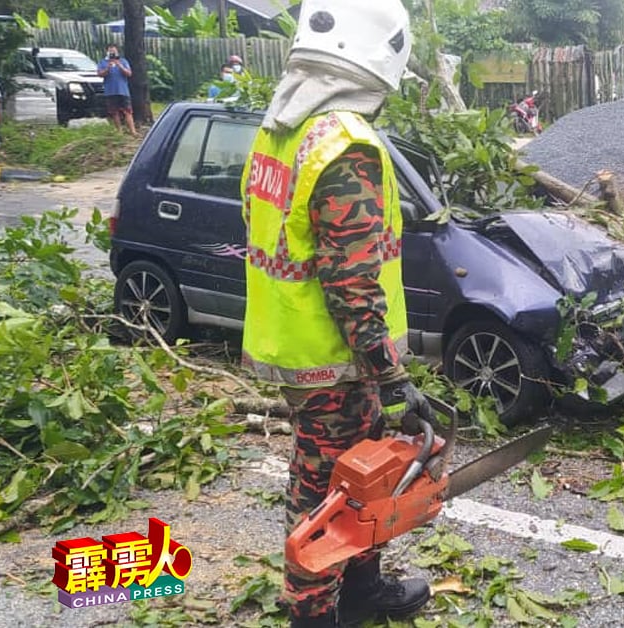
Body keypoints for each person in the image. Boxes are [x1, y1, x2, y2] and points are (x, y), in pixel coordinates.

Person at [240, 1, 433, 626]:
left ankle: (361, 591)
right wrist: (392, 376)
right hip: (336, 358)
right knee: (328, 493)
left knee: (355, 477)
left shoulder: (282, 128)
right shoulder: (344, 147)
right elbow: (351, 282)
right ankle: (314, 615)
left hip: (303, 348)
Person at [97, 44, 137, 137]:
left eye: (114, 51)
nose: (112, 53)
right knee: (114, 112)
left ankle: (133, 131)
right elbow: (100, 74)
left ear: (117, 52)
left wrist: (119, 65)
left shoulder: (123, 61)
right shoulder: (103, 62)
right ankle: (119, 131)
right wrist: (108, 67)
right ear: (107, 52)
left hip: (123, 90)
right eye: (110, 51)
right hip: (110, 91)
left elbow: (129, 73)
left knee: (128, 111)